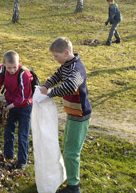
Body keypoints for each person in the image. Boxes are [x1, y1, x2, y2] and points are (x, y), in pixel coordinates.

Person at [38, 37, 92, 193]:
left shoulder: (77, 69)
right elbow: (57, 75)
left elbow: (69, 86)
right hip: (72, 114)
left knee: (72, 151)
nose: (55, 59)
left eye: (56, 56)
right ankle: (70, 178)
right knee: (68, 148)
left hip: (80, 115)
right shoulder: (66, 65)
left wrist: (50, 93)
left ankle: (74, 186)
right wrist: (46, 85)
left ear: (66, 52)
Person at [0, 50, 33, 170]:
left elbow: (24, 96)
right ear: (4, 64)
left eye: (14, 67)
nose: (12, 70)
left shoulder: (24, 74)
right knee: (8, 129)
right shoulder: (1, 70)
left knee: (23, 134)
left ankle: (22, 161)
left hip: (24, 107)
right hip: (10, 103)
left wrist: (10, 106)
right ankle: (8, 155)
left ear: (19, 62)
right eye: (9, 68)